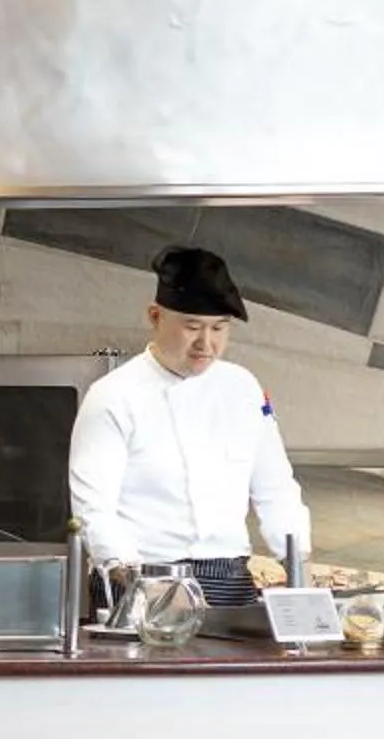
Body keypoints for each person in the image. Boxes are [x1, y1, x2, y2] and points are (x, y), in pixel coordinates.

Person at [66, 246, 308, 608]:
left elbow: (276, 488)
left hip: (229, 578)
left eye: (219, 328)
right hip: (141, 574)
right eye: (192, 326)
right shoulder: (113, 396)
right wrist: (139, 582)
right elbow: (93, 510)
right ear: (155, 316)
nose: (206, 344)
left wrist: (298, 563)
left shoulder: (244, 388)